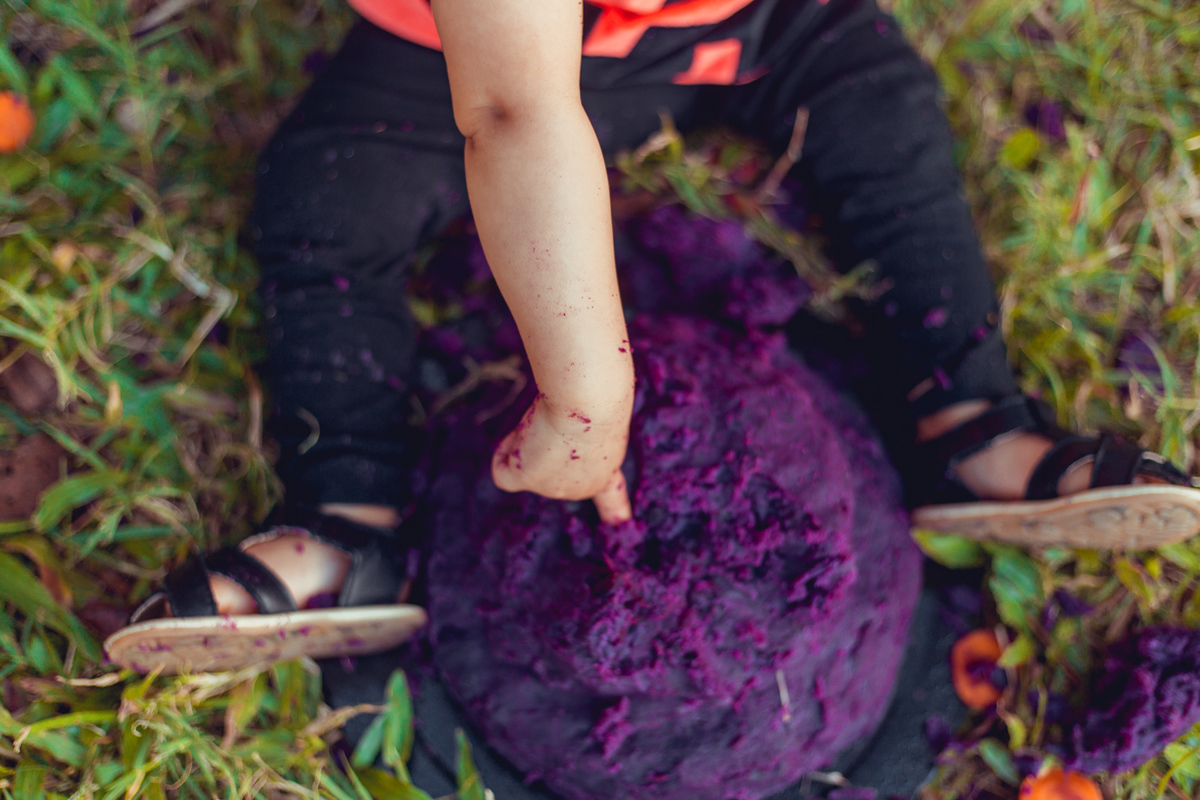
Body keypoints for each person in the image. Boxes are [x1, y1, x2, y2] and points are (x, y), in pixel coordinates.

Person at [104, 0, 1200, 674]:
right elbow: (517, 111)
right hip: (476, 52)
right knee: (327, 197)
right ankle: (351, 521)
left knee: (877, 100)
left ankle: (968, 421)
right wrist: (587, 391)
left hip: (741, 25)